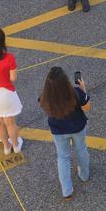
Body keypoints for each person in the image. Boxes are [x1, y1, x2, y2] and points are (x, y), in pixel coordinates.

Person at [38, 66, 91, 200]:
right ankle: (84, 175)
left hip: (58, 130)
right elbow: (87, 107)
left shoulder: (45, 97)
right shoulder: (75, 93)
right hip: (77, 127)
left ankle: (67, 191)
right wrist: (84, 89)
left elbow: (43, 106)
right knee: (81, 150)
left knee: (63, 157)